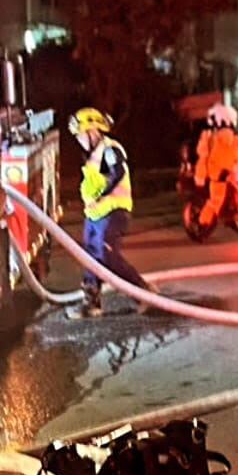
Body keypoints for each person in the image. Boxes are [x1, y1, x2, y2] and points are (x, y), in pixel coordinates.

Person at [68, 106, 151, 318]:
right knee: (90, 257)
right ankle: (91, 303)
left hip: (114, 211)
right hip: (95, 214)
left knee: (107, 256)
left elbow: (117, 172)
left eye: (81, 135)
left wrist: (101, 192)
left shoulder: (110, 150)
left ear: (92, 131)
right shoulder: (93, 156)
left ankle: (143, 293)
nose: (79, 140)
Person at [193, 101, 238, 230]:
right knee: (216, 201)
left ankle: (235, 215)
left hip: (229, 171)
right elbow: (212, 157)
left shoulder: (224, 136)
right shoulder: (215, 138)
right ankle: (202, 223)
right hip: (219, 174)